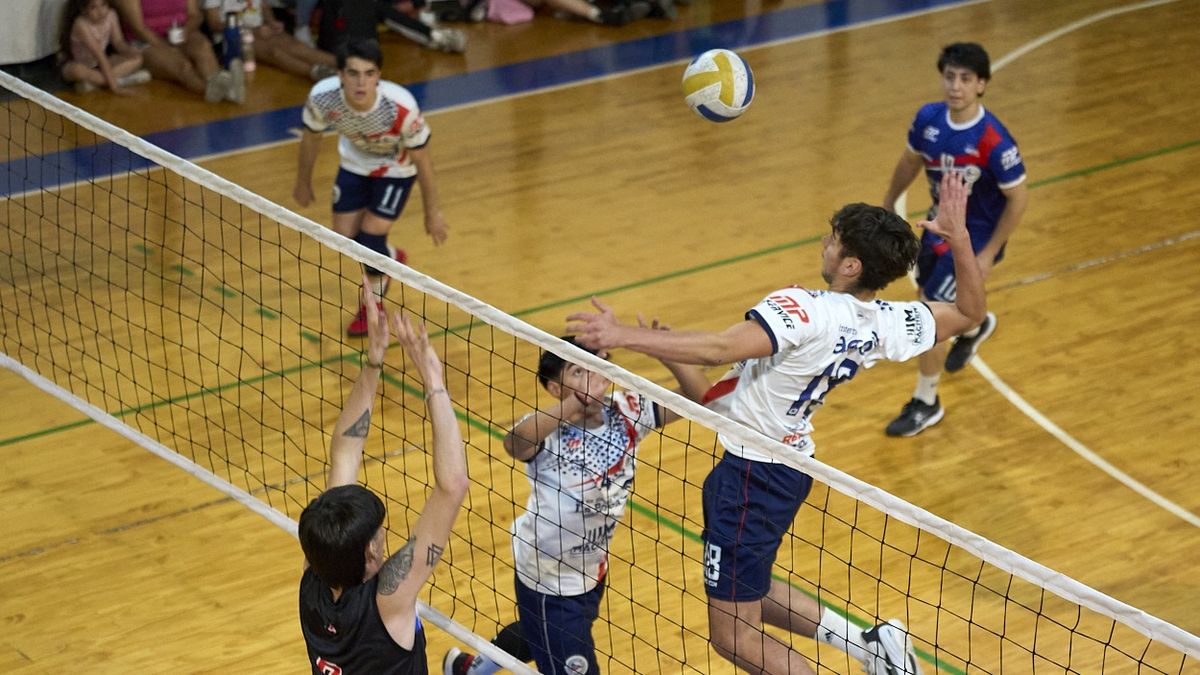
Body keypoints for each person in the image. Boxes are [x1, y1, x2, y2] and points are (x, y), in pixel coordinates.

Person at [565, 171, 985, 675]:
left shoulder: (803, 311)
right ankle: (871, 646)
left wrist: (620, 335)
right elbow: (969, 312)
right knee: (748, 591)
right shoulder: (884, 321)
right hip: (781, 466)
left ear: (851, 264)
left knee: (734, 637)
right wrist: (959, 238)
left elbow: (720, 347)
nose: (824, 244)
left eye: (834, 240)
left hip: (754, 480)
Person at [442, 332, 710, 675]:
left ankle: (468, 669)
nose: (591, 377)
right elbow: (516, 443)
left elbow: (700, 397)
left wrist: (660, 348)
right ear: (556, 389)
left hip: (591, 569)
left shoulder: (626, 411)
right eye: (578, 371)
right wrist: (576, 403)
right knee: (559, 639)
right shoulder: (547, 430)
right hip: (547, 578)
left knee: (540, 634)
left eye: (594, 366)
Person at [298, 274, 469, 674]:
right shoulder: (388, 602)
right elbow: (453, 486)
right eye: (379, 533)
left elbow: (345, 450)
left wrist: (374, 360)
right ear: (371, 552)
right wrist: (433, 380)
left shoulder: (314, 576)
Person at [880, 42, 1028, 437]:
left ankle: (926, 401)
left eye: (965, 79)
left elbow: (1018, 198)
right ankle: (976, 325)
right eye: (949, 77)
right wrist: (889, 201)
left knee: (930, 314)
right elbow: (910, 160)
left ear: (981, 84)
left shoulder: (993, 140)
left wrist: (987, 254)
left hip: (973, 239)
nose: (955, 86)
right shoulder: (929, 119)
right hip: (939, 228)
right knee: (928, 297)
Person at [293, 38, 450, 337]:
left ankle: (372, 306)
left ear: (378, 75)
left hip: (397, 169)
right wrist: (302, 181)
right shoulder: (323, 98)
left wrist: (433, 212)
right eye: (353, 73)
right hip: (355, 163)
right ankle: (389, 257)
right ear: (340, 75)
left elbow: (423, 161)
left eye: (369, 73)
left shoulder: (400, 107)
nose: (361, 82)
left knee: (370, 238)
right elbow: (311, 138)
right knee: (344, 237)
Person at [111, 0, 243, 102]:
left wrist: (186, 30)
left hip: (181, 33)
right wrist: (167, 47)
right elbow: (138, 28)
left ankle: (221, 84)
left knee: (203, 48)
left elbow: (195, 15)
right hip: (146, 42)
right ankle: (216, 90)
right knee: (183, 65)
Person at [201, 0, 338, 81]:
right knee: (275, 52)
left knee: (294, 45)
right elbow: (214, 24)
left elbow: (264, 6)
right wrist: (252, 30)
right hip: (234, 37)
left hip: (262, 29)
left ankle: (342, 63)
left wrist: (272, 22)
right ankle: (317, 73)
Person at [60, 0, 152, 95]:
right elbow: (99, 54)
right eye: (93, 7)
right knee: (77, 71)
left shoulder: (111, 15)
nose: (100, 11)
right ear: (83, 10)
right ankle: (122, 81)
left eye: (103, 5)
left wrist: (129, 50)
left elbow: (118, 42)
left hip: (101, 64)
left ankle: (95, 83)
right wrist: (115, 88)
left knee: (137, 59)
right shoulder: (81, 24)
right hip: (83, 64)